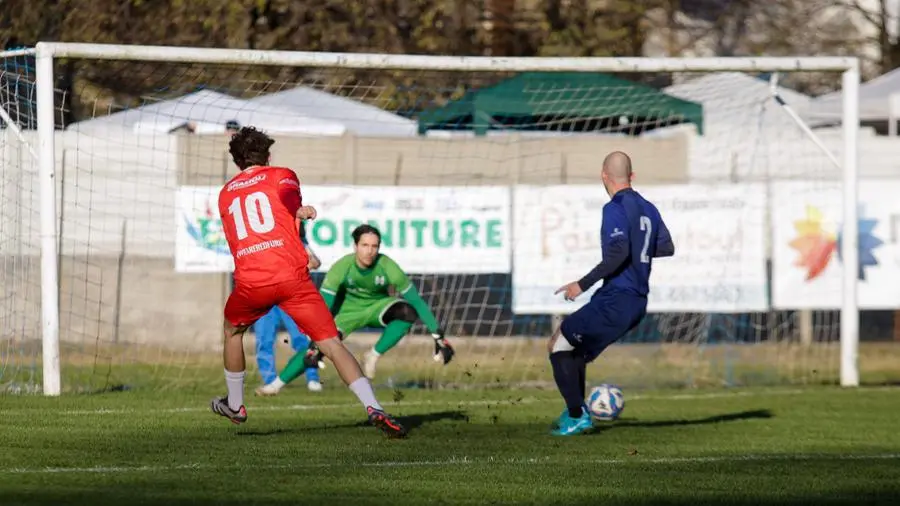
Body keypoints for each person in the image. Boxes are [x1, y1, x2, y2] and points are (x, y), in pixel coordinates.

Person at [210, 126, 406, 438]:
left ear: (236, 161)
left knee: (232, 331)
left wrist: (292, 215)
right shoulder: (281, 174)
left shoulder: (225, 193)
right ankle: (374, 408)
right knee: (331, 343)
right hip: (292, 279)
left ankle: (235, 404)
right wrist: (298, 210)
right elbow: (288, 199)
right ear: (268, 156)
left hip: (252, 282)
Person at [548, 151, 675, 436]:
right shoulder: (649, 208)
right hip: (636, 302)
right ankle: (577, 410)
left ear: (604, 175)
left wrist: (582, 283)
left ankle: (577, 415)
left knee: (557, 344)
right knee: (575, 352)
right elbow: (667, 247)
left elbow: (619, 251)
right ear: (632, 176)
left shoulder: (614, 208)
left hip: (617, 298)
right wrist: (640, 246)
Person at [255, 224, 454, 396]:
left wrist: (438, 336)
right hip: (345, 314)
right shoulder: (342, 267)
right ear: (355, 246)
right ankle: (275, 386)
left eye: (374, 246)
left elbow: (417, 301)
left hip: (377, 308)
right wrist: (317, 336)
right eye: (365, 245)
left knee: (407, 311)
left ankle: (373, 355)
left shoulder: (387, 266)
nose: (370, 251)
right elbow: (324, 304)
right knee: (314, 349)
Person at [252, 220, 323, 394]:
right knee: (264, 340)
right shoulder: (262, 242)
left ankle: (312, 377)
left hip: (290, 298)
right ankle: (270, 381)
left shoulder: (297, 242)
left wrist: (297, 268)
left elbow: (315, 262)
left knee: (301, 338)